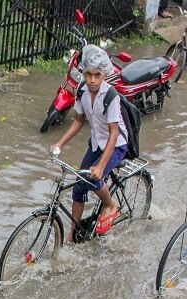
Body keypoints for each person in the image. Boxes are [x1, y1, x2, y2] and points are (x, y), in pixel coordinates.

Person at [51, 44, 127, 240]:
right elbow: (78, 121)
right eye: (88, 74)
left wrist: (100, 166)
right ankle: (72, 233)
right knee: (79, 186)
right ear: (83, 73)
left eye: (97, 75)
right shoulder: (82, 90)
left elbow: (113, 133)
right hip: (96, 142)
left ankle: (110, 205)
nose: (92, 80)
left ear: (104, 75)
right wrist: (59, 143)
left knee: (94, 179)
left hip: (116, 143)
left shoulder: (111, 96)